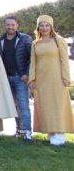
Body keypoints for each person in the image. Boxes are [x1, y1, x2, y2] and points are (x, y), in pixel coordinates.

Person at [28, 15, 74, 146]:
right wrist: (32, 79)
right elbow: (33, 63)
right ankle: (51, 133)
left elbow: (64, 60)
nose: (44, 28)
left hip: (56, 78)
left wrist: (66, 77)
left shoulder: (58, 40)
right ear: (38, 27)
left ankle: (59, 134)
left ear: (51, 27)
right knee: (45, 106)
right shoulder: (35, 43)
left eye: (47, 25)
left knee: (57, 105)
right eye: (41, 25)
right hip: (42, 80)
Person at [0, 17, 33, 141]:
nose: (10, 27)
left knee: (23, 105)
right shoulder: (0, 41)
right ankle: (19, 130)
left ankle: (27, 132)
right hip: (6, 78)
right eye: (8, 25)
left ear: (17, 25)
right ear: (4, 25)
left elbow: (32, 58)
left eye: (12, 25)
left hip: (20, 77)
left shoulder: (25, 39)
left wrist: (26, 74)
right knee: (15, 106)